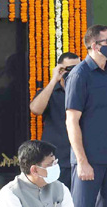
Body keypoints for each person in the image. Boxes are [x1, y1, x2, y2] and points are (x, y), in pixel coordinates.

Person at [66, 25, 107, 207]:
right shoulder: (80, 74)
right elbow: (72, 120)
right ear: (94, 45)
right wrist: (82, 161)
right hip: (88, 162)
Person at [29, 52, 80, 190]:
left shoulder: (86, 90)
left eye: (78, 67)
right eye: (69, 69)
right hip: (57, 160)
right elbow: (35, 109)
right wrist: (54, 80)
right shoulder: (50, 92)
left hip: (83, 160)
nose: (74, 72)